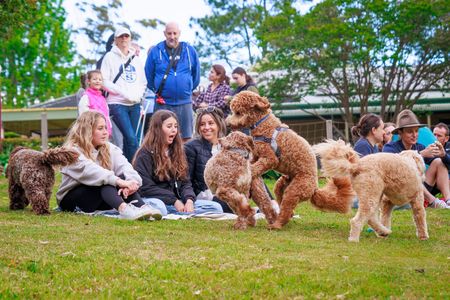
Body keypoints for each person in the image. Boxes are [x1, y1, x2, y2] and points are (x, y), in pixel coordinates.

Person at [56, 111, 162, 220]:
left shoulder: (109, 148)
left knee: (119, 178)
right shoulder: (71, 152)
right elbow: (91, 171)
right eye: (100, 128)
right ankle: (124, 210)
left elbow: (126, 166)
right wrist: (119, 182)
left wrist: (131, 183)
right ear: (87, 130)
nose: (105, 132)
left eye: (106, 128)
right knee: (106, 180)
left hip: (98, 198)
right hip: (72, 200)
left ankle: (141, 208)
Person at [133, 110, 223, 216]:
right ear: (158, 129)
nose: (174, 130)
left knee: (216, 207)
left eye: (175, 126)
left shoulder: (177, 151)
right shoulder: (145, 154)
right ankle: (179, 213)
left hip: (177, 201)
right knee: (160, 208)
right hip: (155, 199)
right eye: (169, 126)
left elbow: (185, 182)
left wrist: (189, 200)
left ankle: (181, 213)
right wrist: (174, 201)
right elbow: (146, 187)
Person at [145, 22, 200, 142]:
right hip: (163, 103)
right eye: (169, 33)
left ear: (179, 33)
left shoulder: (190, 50)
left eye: (175, 33)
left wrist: (186, 88)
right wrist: (158, 89)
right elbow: (148, 75)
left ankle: (184, 161)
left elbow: (196, 76)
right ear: (164, 34)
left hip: (184, 102)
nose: (172, 36)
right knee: (161, 136)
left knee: (186, 137)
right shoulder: (156, 51)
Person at [383, 109, 449, 208]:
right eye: (410, 132)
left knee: (439, 161)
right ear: (400, 133)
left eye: (416, 131)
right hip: (400, 192)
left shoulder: (419, 146)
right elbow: (396, 166)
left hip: (421, 189)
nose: (415, 135)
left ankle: (448, 200)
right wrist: (420, 155)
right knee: (411, 173)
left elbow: (445, 165)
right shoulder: (390, 147)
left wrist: (443, 155)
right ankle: (433, 202)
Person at [101, 26, 146, 162]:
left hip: (135, 104)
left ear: (130, 39)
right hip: (117, 103)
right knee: (131, 138)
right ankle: (135, 170)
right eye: (121, 36)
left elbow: (143, 82)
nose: (124, 39)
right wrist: (124, 93)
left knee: (135, 139)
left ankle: (128, 169)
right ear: (115, 40)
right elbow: (104, 81)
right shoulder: (109, 57)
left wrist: (138, 96)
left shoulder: (136, 59)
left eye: (126, 36)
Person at [184, 107, 233, 213]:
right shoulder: (191, 147)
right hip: (205, 195)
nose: (206, 127)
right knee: (227, 204)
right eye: (202, 124)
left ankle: (272, 204)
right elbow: (186, 179)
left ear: (218, 125)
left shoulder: (228, 146)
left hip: (227, 191)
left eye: (211, 123)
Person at [78, 70, 112, 136]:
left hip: (103, 129)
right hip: (91, 129)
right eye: (94, 79)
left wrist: (109, 127)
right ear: (88, 81)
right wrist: (88, 128)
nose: (97, 81)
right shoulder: (86, 96)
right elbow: (83, 114)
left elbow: (107, 114)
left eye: (100, 79)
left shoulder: (103, 98)